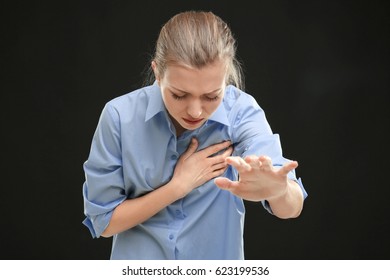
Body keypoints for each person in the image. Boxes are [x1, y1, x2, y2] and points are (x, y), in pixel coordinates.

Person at [82, 10, 308, 260]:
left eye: (212, 96)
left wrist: (278, 191)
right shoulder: (118, 117)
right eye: (179, 95)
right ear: (157, 73)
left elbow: (292, 206)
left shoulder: (241, 112)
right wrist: (177, 187)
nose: (196, 111)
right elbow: (104, 222)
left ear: (226, 77)